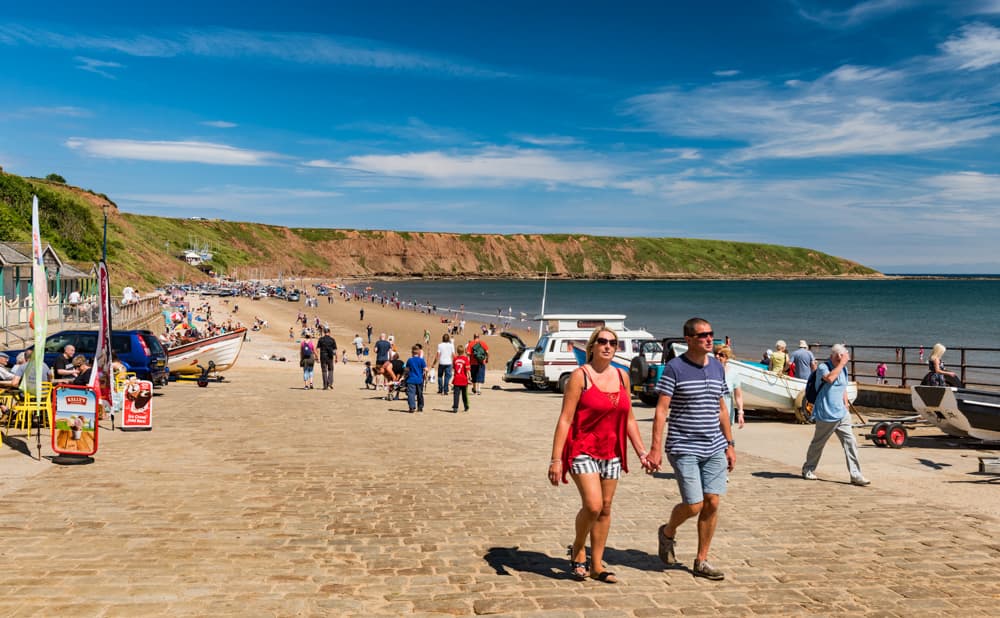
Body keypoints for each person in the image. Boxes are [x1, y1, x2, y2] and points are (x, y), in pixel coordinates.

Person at [548, 327, 651, 584]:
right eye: (602, 341)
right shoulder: (580, 376)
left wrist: (642, 452)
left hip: (612, 451)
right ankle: (578, 547)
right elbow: (565, 419)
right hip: (582, 448)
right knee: (593, 505)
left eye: (613, 343)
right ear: (592, 346)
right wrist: (556, 459)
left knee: (605, 508)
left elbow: (629, 418)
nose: (608, 346)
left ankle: (596, 565)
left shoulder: (622, 376)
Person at [647, 317, 736, 581]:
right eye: (702, 335)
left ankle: (701, 560)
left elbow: (721, 408)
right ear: (689, 340)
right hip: (683, 445)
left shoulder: (717, 367)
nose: (709, 339)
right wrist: (655, 449)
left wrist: (730, 444)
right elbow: (661, 410)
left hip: (714, 445)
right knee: (694, 504)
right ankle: (667, 532)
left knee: (713, 502)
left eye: (711, 334)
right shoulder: (675, 368)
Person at [801, 344, 870, 486]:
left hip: (842, 413)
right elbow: (830, 379)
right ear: (837, 356)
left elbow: (842, 386)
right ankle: (808, 469)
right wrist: (842, 363)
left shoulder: (843, 368)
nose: (845, 359)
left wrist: (846, 403)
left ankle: (855, 475)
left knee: (850, 442)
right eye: (843, 356)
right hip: (826, 413)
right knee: (818, 443)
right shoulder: (823, 367)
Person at [714, 345, 745, 429]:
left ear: (727, 358)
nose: (717, 356)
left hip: (726, 414)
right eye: (715, 353)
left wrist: (740, 413)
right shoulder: (708, 371)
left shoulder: (733, 373)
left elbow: (738, 396)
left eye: (721, 355)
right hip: (710, 415)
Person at [403, 345, 427, 413]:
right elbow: (426, 369)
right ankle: (420, 407)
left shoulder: (409, 360)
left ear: (412, 352)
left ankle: (412, 407)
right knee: (420, 394)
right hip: (419, 380)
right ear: (419, 352)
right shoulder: (421, 360)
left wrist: (404, 376)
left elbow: (407, 369)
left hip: (411, 379)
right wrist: (425, 372)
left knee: (411, 394)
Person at [451, 343, 471, 412]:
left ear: (457, 351)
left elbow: (453, 368)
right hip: (464, 380)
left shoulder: (455, 359)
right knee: (464, 394)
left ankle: (455, 407)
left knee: (456, 394)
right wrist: (470, 377)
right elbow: (468, 370)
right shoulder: (465, 359)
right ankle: (466, 406)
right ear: (464, 352)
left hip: (456, 379)